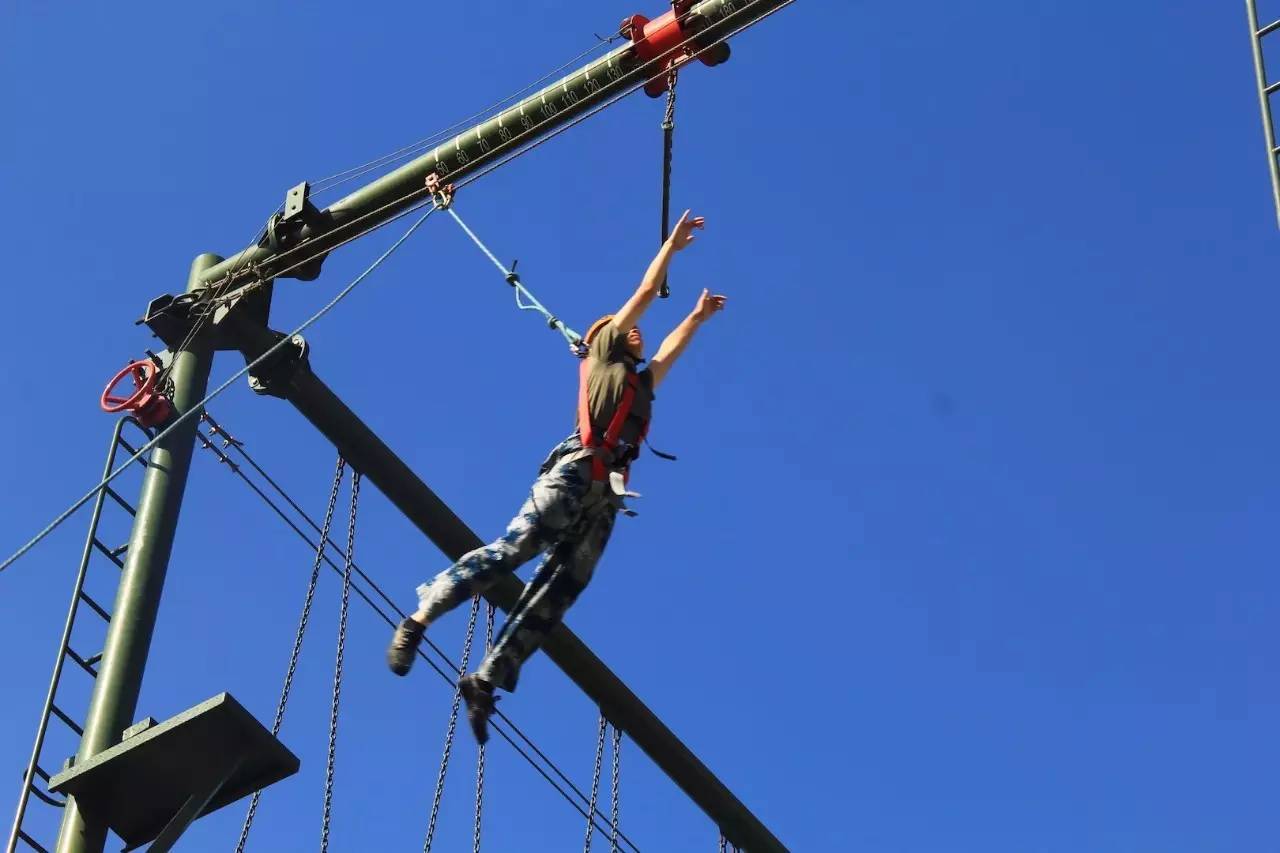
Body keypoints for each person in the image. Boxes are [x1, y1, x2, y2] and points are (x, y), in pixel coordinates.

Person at [386, 209, 726, 743]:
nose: (635, 331)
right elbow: (642, 290)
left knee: (558, 591)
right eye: (624, 329)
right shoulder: (605, 353)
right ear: (601, 341)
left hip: (604, 499)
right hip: (575, 474)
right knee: (512, 552)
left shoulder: (639, 383)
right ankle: (420, 618)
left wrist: (698, 318)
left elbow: (667, 353)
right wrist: (671, 250)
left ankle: (487, 679)